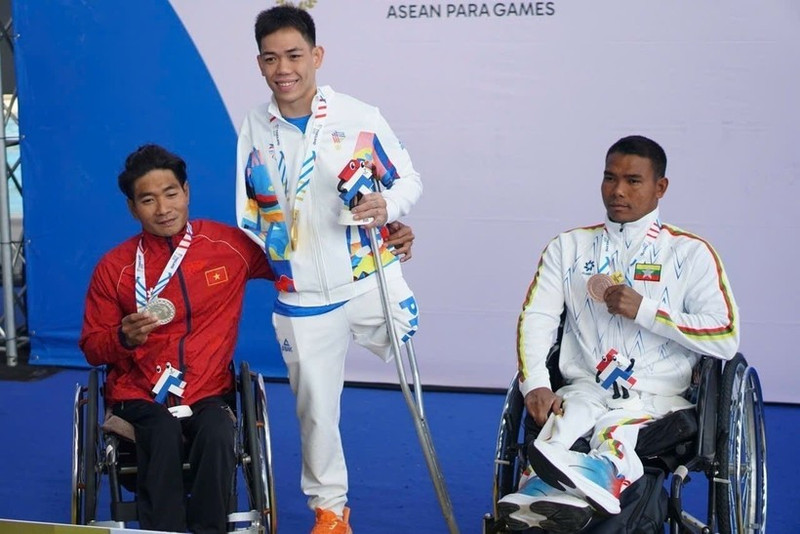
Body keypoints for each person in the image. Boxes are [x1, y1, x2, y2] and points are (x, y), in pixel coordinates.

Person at [78, 144, 417, 533]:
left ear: (186, 192)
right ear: (133, 208)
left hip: (208, 391)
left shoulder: (227, 246)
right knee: (161, 431)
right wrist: (122, 337)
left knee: (220, 432)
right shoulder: (114, 268)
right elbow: (91, 346)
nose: (163, 208)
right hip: (139, 397)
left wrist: (383, 234)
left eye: (171, 194)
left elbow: (306, 254)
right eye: (148, 200)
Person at [235, 5, 423, 533]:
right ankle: (330, 512)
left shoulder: (358, 116)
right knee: (316, 411)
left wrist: (389, 211)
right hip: (302, 294)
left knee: (407, 354)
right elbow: (249, 208)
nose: (283, 68)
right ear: (260, 63)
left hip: (367, 279)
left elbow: (407, 180)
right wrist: (279, 251)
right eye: (271, 59)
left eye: (294, 55)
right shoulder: (257, 124)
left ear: (316, 56)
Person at [497, 135, 740, 532]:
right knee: (567, 419)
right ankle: (540, 490)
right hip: (585, 387)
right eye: (610, 179)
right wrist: (536, 383)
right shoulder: (568, 247)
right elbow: (536, 317)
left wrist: (646, 310)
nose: (618, 191)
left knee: (617, 430)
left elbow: (726, 334)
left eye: (633, 181)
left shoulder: (690, 253)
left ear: (660, 187)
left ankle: (600, 475)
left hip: (657, 398)